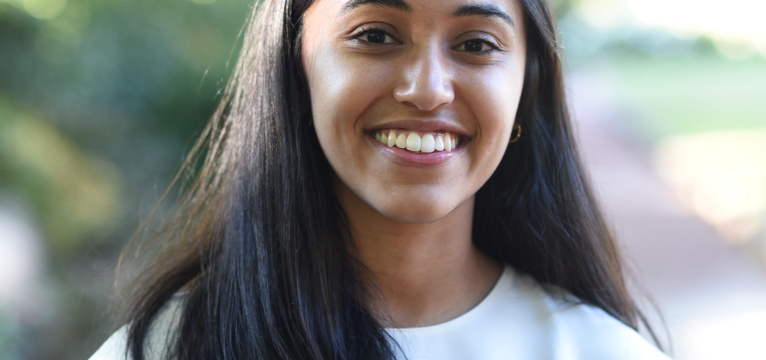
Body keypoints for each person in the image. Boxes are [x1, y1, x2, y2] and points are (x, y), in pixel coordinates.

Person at [90, 0, 671, 359]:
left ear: (526, 87)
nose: (427, 89)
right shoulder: (166, 350)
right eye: (375, 35)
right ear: (296, 64)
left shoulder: (601, 351)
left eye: (476, 44)